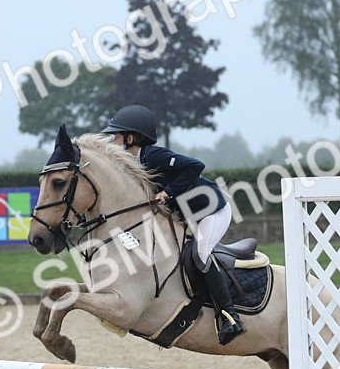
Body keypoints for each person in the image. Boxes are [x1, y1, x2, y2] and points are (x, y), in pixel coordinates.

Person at [101, 104, 246, 346]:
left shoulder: (153, 155)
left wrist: (167, 192)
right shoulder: (133, 166)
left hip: (213, 210)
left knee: (201, 254)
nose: (112, 141)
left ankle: (230, 316)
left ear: (131, 137)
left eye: (116, 136)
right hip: (189, 214)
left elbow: (195, 166)